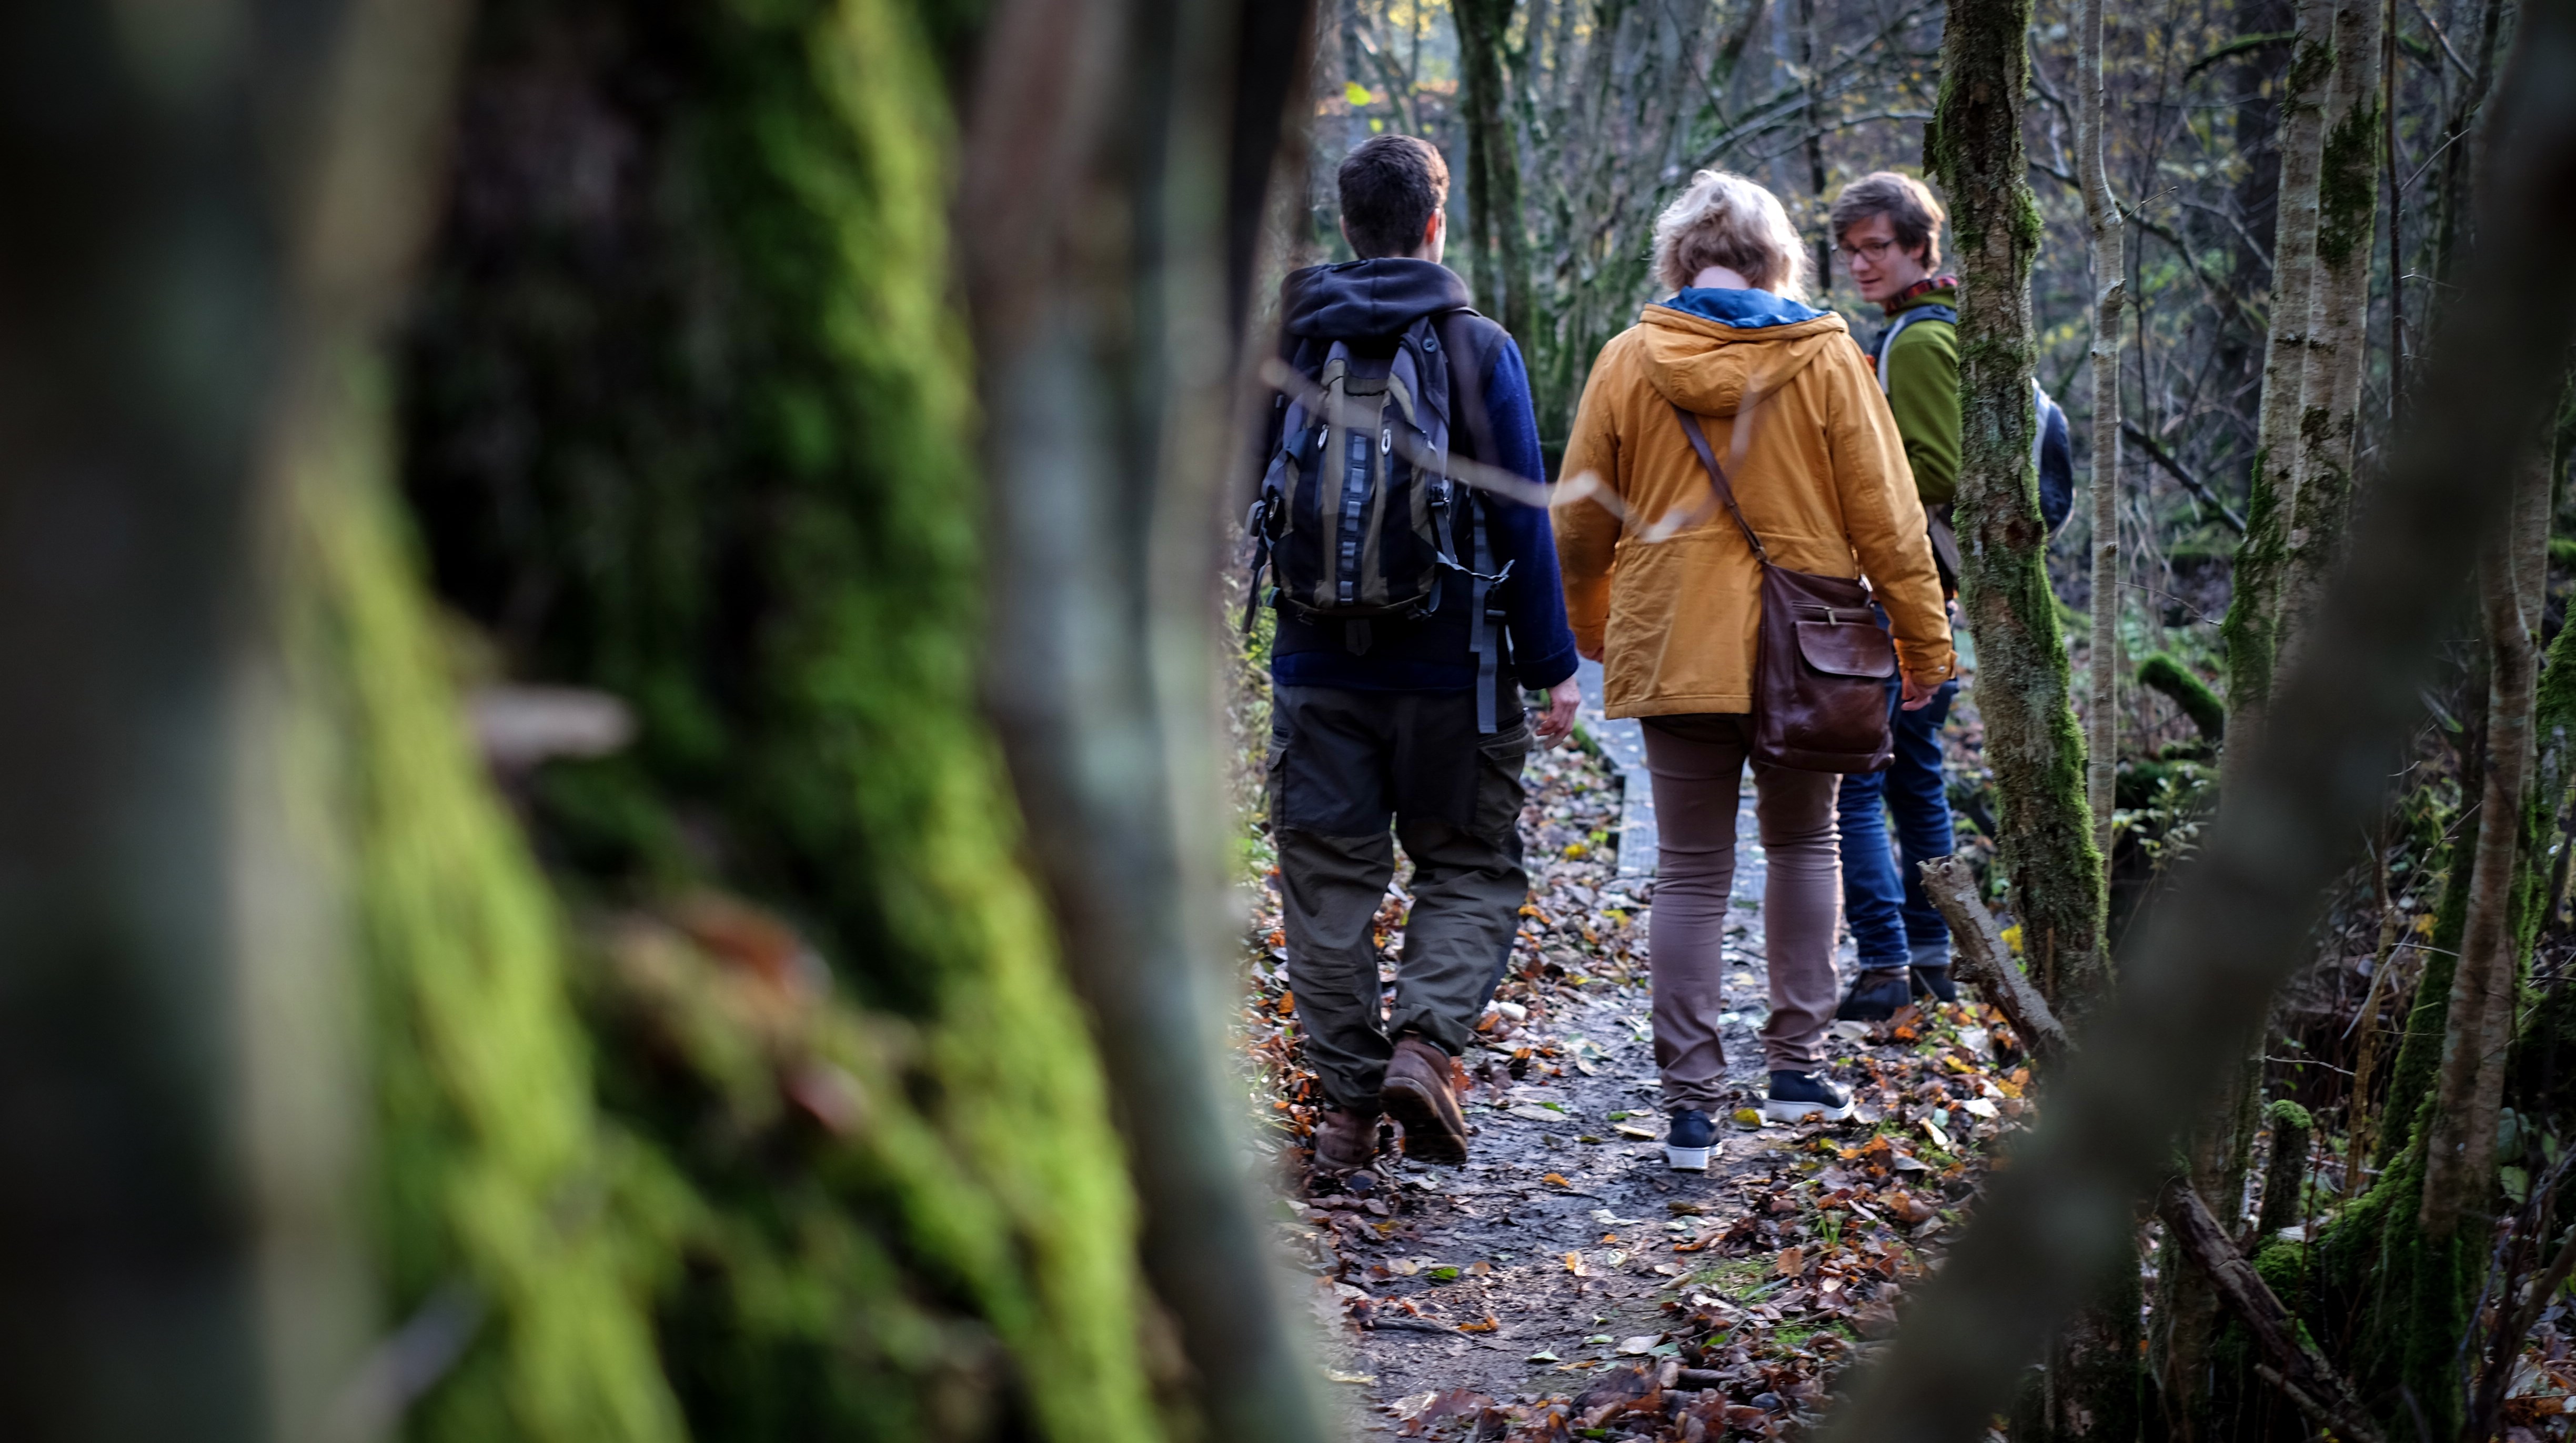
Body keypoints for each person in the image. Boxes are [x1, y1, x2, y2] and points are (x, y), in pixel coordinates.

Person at [1554, 170, 1951, 1166]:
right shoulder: (1827, 359)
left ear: (1679, 258)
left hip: (1676, 638)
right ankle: (1796, 1071)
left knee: (1689, 872)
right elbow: (1890, 521)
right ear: (1781, 259)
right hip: (1809, 648)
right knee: (1804, 847)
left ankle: (1690, 1108)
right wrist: (1922, 642)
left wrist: (1595, 626)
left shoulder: (1629, 359)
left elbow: (1577, 520)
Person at [1260, 134, 1583, 1179]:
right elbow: (1524, 518)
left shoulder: (1291, 342)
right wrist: (1552, 663)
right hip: (1458, 673)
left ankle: (1348, 1115)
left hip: (1317, 668)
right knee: (1471, 865)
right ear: (1435, 224)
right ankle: (1427, 1047)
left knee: (1326, 884)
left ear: (1346, 225)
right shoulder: (1476, 347)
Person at [1826, 171, 1969, 1021]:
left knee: (1861, 786)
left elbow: (1936, 472)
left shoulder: (1915, 341)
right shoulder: (1941, 325)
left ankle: (1885, 965)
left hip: (1897, 594)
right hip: (1933, 593)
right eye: (1851, 252)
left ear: (1920, 244)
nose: (1861, 265)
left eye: (1877, 247)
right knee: (1917, 779)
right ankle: (1933, 959)